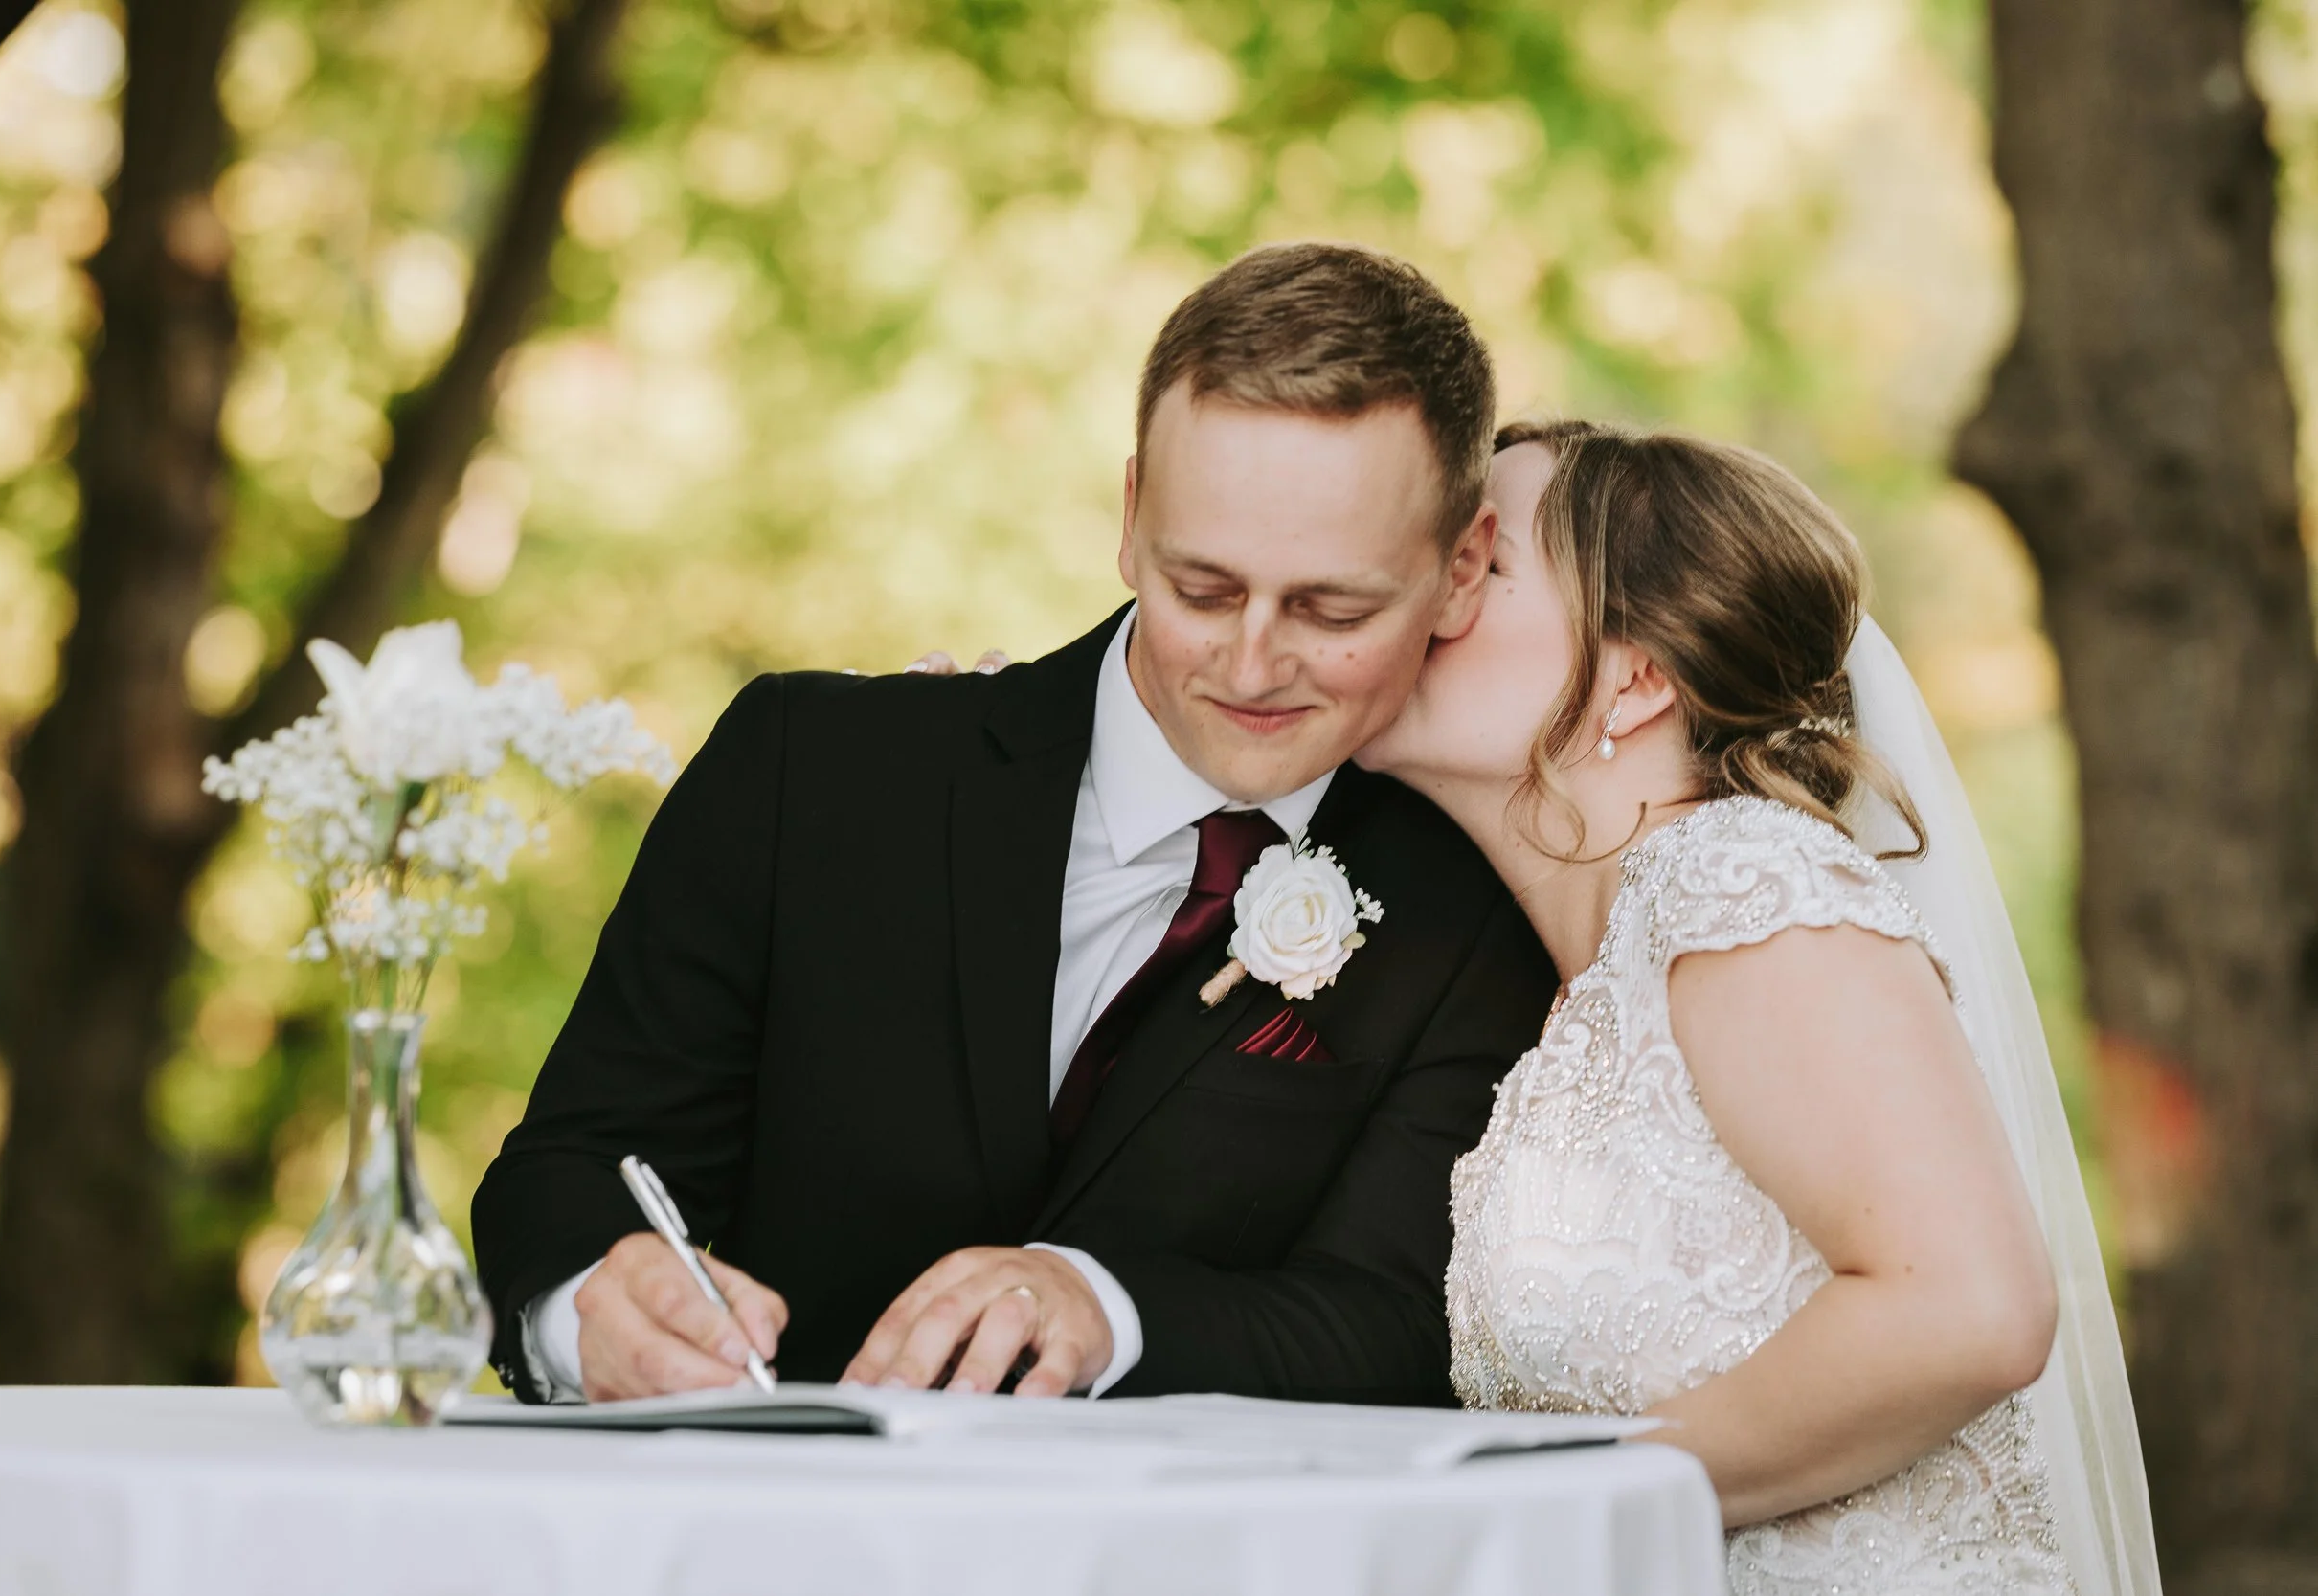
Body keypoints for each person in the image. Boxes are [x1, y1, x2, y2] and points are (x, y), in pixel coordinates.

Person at [467, 243, 1560, 1405]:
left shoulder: (1481, 908)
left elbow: (1393, 1318)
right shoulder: (807, 771)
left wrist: (1114, 1308)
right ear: (1132, 514)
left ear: (1462, 566)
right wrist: (585, 1302)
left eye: (1331, 607)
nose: (1251, 659)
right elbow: (568, 1171)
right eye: (1201, 589)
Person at [1354, 420, 2159, 1594]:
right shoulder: (1596, 966)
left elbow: (1971, 1305)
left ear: (1636, 677)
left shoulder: (1743, 888)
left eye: (1484, 562)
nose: (1428, 587)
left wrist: (1579, 1493)